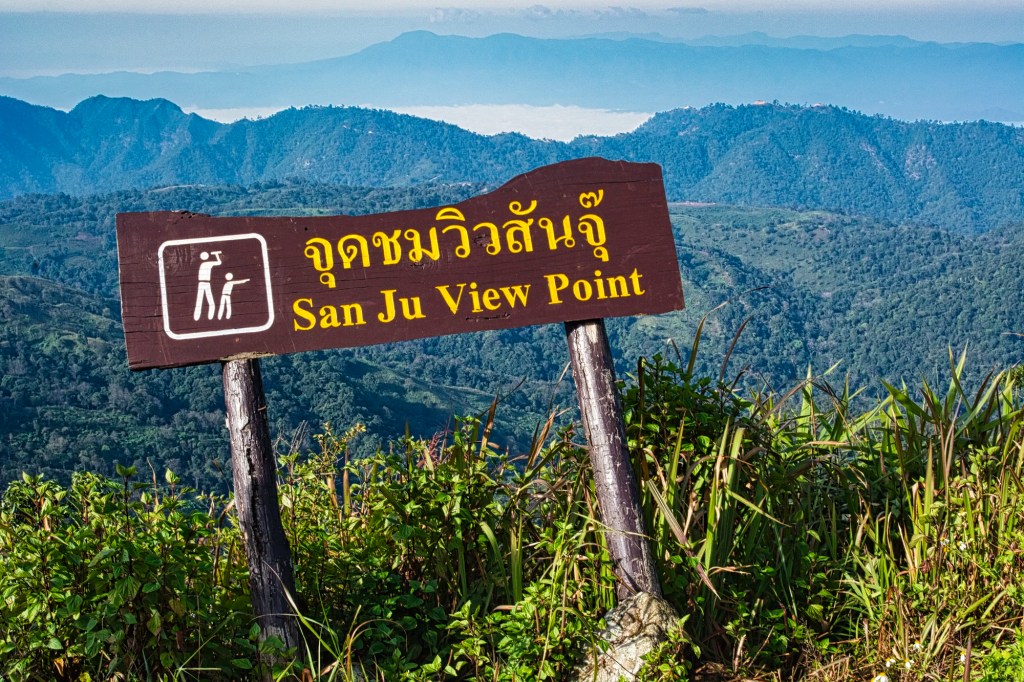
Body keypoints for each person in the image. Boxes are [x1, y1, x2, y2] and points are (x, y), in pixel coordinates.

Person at [193, 251, 222, 321]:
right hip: (205, 283)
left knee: (200, 301)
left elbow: (219, 263)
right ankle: (203, 317)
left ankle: (201, 317)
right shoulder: (206, 263)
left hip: (203, 283)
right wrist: (217, 255)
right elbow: (219, 262)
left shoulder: (203, 264)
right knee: (208, 301)